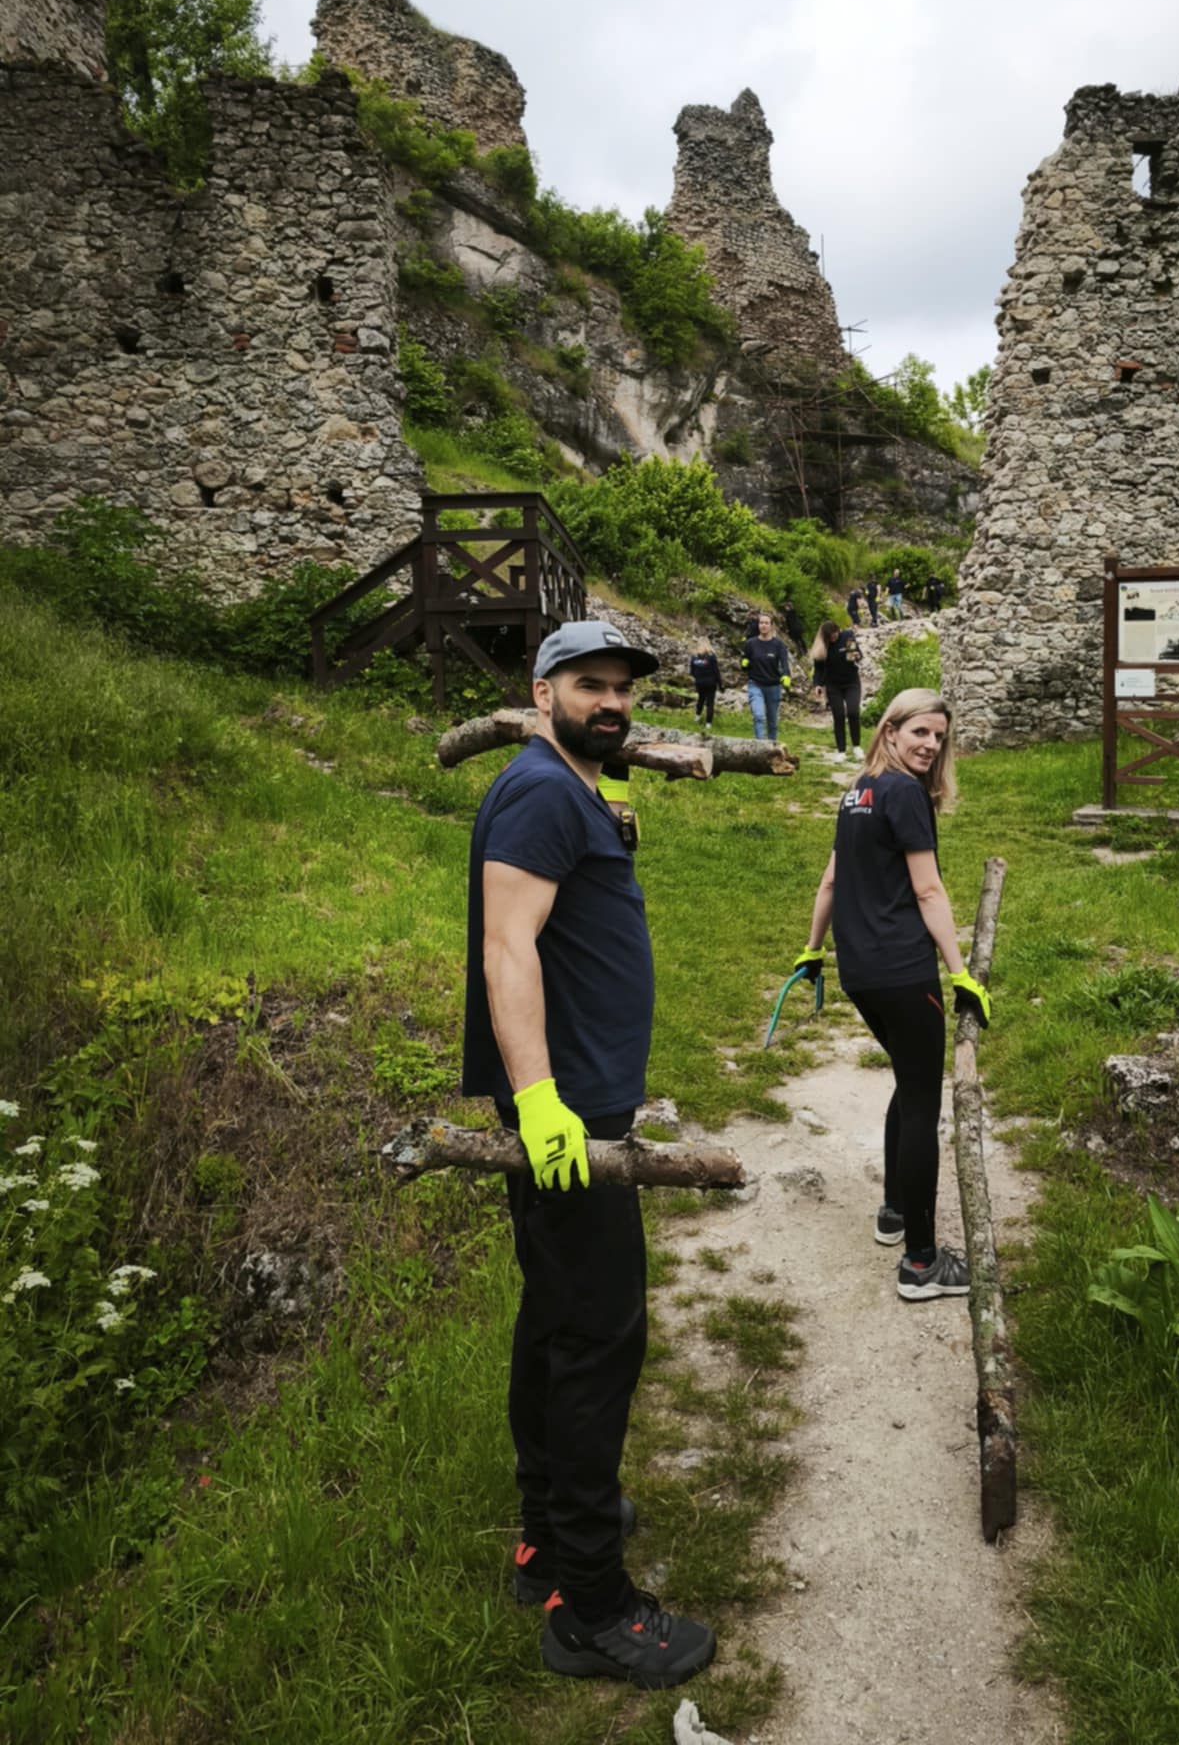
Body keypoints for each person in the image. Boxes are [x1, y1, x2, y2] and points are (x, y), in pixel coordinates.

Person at [462, 620, 716, 1690]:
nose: (610, 701)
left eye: (621, 687)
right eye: (588, 684)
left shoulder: (568, 786)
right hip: (569, 1114)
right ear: (542, 689)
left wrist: (603, 816)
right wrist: (540, 1099)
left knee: (556, 1322)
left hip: (579, 1103)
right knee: (601, 1338)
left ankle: (544, 1537)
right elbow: (506, 941)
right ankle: (591, 1606)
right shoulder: (535, 788)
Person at [791, 688, 992, 1301]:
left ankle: (894, 1211)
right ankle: (922, 1265)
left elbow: (831, 878)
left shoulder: (859, 789)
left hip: (860, 971)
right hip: (903, 972)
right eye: (920, 733)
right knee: (922, 1104)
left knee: (908, 1086)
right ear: (890, 731)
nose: (930, 745)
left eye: (938, 737)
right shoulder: (904, 792)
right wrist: (962, 974)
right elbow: (929, 893)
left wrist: (813, 947)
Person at [809, 618, 862, 760]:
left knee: (853, 712)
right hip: (833, 685)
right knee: (838, 716)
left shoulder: (847, 636)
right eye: (830, 637)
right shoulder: (822, 646)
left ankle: (856, 747)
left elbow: (856, 655)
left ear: (838, 630)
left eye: (835, 634)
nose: (834, 638)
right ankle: (841, 751)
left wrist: (856, 656)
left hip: (851, 682)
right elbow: (818, 669)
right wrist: (817, 685)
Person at [740, 613, 792, 742]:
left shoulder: (778, 645)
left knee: (772, 722)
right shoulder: (750, 644)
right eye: (761, 623)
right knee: (758, 716)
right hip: (755, 684)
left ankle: (772, 749)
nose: (763, 625)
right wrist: (744, 664)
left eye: (766, 623)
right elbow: (744, 661)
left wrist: (786, 675)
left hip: (773, 686)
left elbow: (784, 663)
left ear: (771, 626)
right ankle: (761, 747)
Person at [687, 642, 723, 731]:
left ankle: (697, 716)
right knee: (710, 703)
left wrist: (698, 678)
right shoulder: (711, 657)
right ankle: (708, 723)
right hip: (711, 683)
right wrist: (720, 684)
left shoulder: (694, 658)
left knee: (700, 699)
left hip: (699, 683)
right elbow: (716, 672)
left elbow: (691, 672)